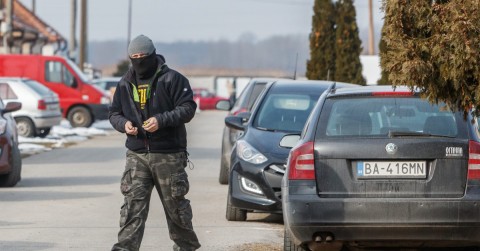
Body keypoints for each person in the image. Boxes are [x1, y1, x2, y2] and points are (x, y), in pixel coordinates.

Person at [109, 34, 201, 251]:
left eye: (143, 55)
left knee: (176, 209)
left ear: (152, 54)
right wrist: (124, 125)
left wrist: (161, 120)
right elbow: (114, 113)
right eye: (134, 56)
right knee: (132, 208)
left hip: (168, 154)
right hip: (137, 154)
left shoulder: (173, 79)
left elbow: (187, 108)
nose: (139, 60)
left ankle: (185, 247)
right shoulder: (125, 83)